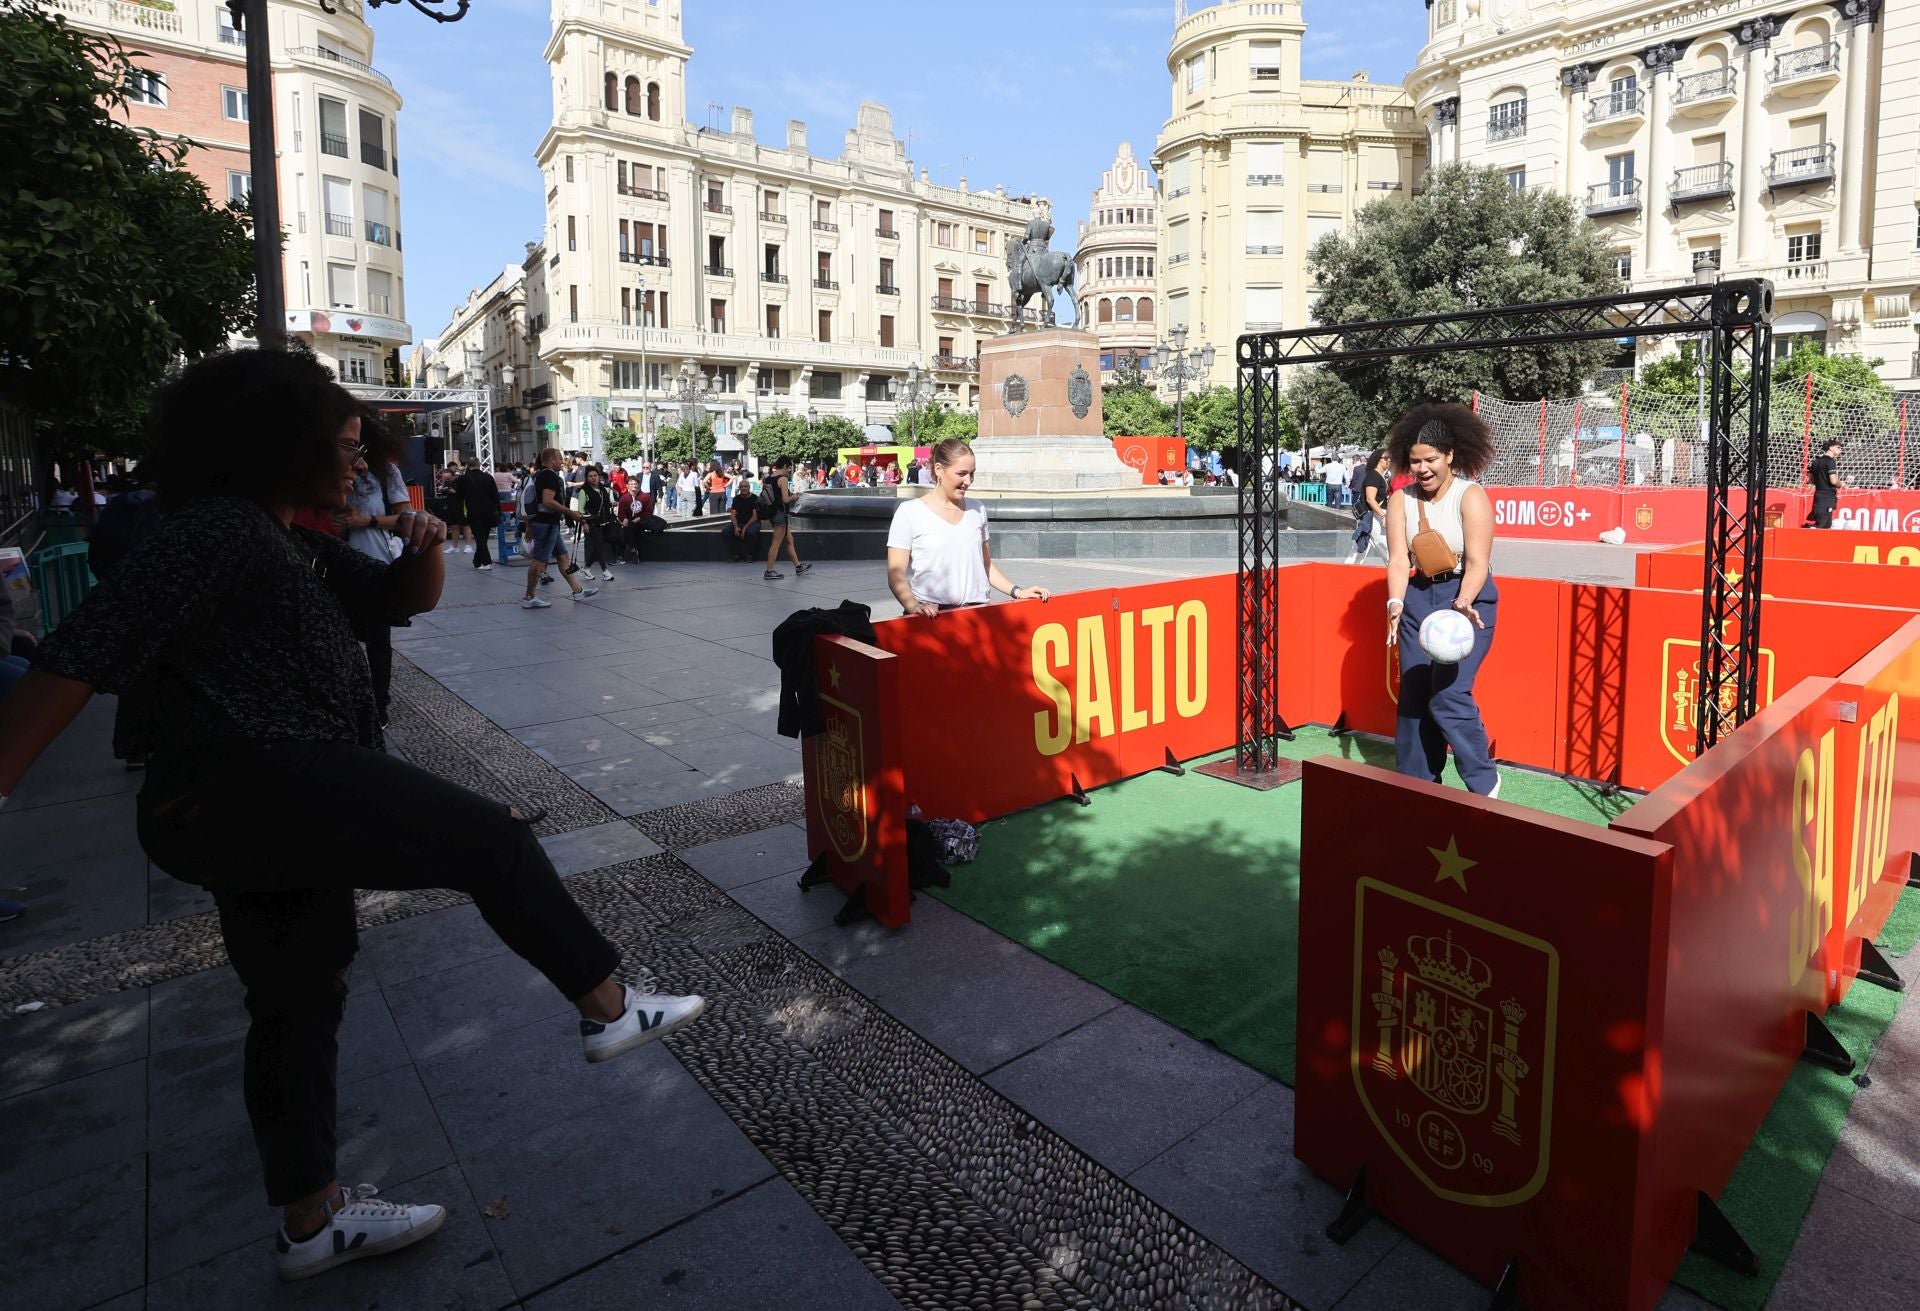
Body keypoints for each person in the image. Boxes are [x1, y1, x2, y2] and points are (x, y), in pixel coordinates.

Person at [0, 348, 706, 1280]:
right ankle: (608, 1007)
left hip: (253, 802)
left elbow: (392, 600)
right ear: (273, 447)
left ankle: (310, 1221)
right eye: (340, 448)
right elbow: (78, 657)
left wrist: (424, 546)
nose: (359, 466)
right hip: (256, 782)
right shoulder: (212, 532)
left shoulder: (281, 533)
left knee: (297, 1002)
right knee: (488, 836)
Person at [1384, 404, 1500, 799]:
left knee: (1449, 695)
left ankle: (1484, 784)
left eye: (1431, 459)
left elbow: (1477, 563)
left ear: (1450, 455)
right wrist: (1395, 604)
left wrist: (1464, 602)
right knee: (1414, 695)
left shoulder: (1471, 496)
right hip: (1418, 599)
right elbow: (1399, 560)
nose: (1422, 469)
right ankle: (1417, 787)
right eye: (1415, 461)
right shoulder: (1400, 500)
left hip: (1467, 601)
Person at [885, 438, 1053, 614]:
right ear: (939, 470)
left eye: (972, 473)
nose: (968, 481)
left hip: (977, 616)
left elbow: (985, 565)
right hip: (931, 617)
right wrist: (913, 606)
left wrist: (1017, 591)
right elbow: (895, 575)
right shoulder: (909, 512)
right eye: (962, 473)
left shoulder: (977, 509)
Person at [336, 412, 411, 728]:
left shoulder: (386, 472)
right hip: (333, 565)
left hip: (374, 563)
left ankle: (379, 706)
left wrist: (366, 521)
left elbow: (406, 519)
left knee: (378, 644)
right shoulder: (328, 471)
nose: (359, 461)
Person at [520, 447, 600, 609]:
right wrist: (570, 512)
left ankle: (577, 590)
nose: (562, 462)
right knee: (539, 560)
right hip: (546, 524)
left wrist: (529, 525)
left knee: (563, 556)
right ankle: (529, 597)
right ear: (551, 460)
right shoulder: (549, 475)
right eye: (560, 459)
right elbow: (547, 500)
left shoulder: (537, 475)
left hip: (546, 523)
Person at [761, 455, 812, 580]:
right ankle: (769, 571)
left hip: (772, 514)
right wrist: (794, 497)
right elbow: (785, 499)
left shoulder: (768, 478)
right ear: (784, 466)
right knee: (776, 543)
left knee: (789, 540)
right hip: (780, 515)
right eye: (788, 468)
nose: (788, 471)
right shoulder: (782, 479)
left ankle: (798, 567)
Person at [1345, 449, 1391, 564]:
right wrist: (1383, 515)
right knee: (1386, 549)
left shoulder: (1378, 475)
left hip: (1373, 518)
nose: (1388, 460)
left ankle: (1346, 573)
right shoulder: (1374, 476)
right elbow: (1370, 499)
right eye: (1386, 458)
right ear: (1378, 460)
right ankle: (1397, 573)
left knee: (1358, 551)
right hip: (1374, 518)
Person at [455, 458, 502, 570]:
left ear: (467, 465)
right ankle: (477, 560)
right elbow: (496, 496)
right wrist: (498, 511)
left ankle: (486, 562)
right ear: (479, 464)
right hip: (489, 511)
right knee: (483, 537)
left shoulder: (464, 479)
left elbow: (459, 496)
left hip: (473, 512)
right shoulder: (488, 477)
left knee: (480, 538)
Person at [579, 465, 619, 582]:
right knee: (600, 547)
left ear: (599, 476)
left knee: (598, 547)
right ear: (586, 478)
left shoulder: (603, 489)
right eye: (590, 476)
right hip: (592, 523)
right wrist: (584, 523)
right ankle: (605, 571)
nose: (593, 478)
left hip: (604, 522)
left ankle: (586, 569)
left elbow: (605, 505)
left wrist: (612, 504)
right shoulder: (584, 491)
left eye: (595, 475)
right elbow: (580, 510)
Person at [1804, 438, 1844, 529]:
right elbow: (1833, 481)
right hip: (1827, 496)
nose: (1840, 449)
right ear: (1831, 448)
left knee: (1824, 524)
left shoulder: (1816, 461)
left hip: (1818, 495)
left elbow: (1810, 480)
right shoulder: (1831, 461)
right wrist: (1842, 484)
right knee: (1823, 525)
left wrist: (1821, 481)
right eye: (1838, 447)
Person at [728, 476, 763, 563]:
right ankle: (736, 554)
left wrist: (744, 529)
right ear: (739, 488)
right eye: (741, 487)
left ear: (749, 487)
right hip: (740, 522)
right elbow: (733, 514)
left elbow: (755, 517)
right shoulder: (736, 499)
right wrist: (736, 527)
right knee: (726, 531)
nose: (743, 488)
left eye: (745, 486)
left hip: (753, 523)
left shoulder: (755, 498)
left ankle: (750, 555)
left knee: (751, 532)